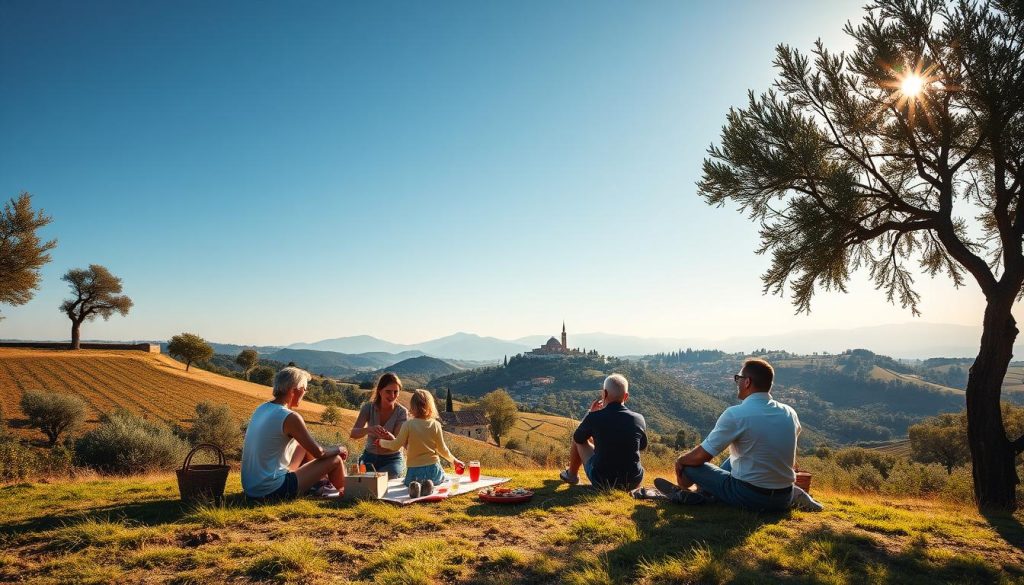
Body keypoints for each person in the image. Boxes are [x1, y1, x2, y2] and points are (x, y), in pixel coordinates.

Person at [654, 358, 823, 512]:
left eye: (738, 378)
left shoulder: (737, 414)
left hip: (750, 497)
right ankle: (796, 494)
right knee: (734, 457)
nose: (737, 382)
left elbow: (701, 456)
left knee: (689, 464)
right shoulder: (789, 412)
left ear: (747, 382)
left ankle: (695, 495)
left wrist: (680, 461)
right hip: (783, 496)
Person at [241, 366, 348, 500]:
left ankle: (319, 484)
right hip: (271, 489)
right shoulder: (289, 416)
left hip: (252, 487)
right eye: (304, 389)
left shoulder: (262, 408)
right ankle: (346, 494)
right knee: (335, 460)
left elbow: (309, 447)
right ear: (294, 390)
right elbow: (319, 453)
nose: (305, 393)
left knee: (302, 446)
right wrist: (339, 449)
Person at [559, 373, 647, 490]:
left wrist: (590, 413)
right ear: (626, 396)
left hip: (602, 481)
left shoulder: (595, 417)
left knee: (579, 440)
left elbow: (578, 437)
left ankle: (572, 475)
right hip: (633, 481)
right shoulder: (638, 418)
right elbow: (642, 446)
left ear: (604, 393)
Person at [375, 389, 463, 491]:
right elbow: (442, 449)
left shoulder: (408, 425)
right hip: (433, 470)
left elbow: (395, 445)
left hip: (414, 472)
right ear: (430, 406)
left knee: (411, 483)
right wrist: (455, 461)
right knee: (445, 479)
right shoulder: (436, 424)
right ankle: (428, 486)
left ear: (412, 407)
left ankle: (417, 486)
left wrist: (381, 442)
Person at [349, 372, 409, 478]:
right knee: (365, 480)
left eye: (396, 392)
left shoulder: (402, 412)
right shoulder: (368, 408)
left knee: (386, 478)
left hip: (392, 459)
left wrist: (389, 438)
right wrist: (369, 430)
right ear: (380, 391)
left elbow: (398, 443)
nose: (392, 396)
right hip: (369, 457)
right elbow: (353, 433)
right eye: (388, 391)